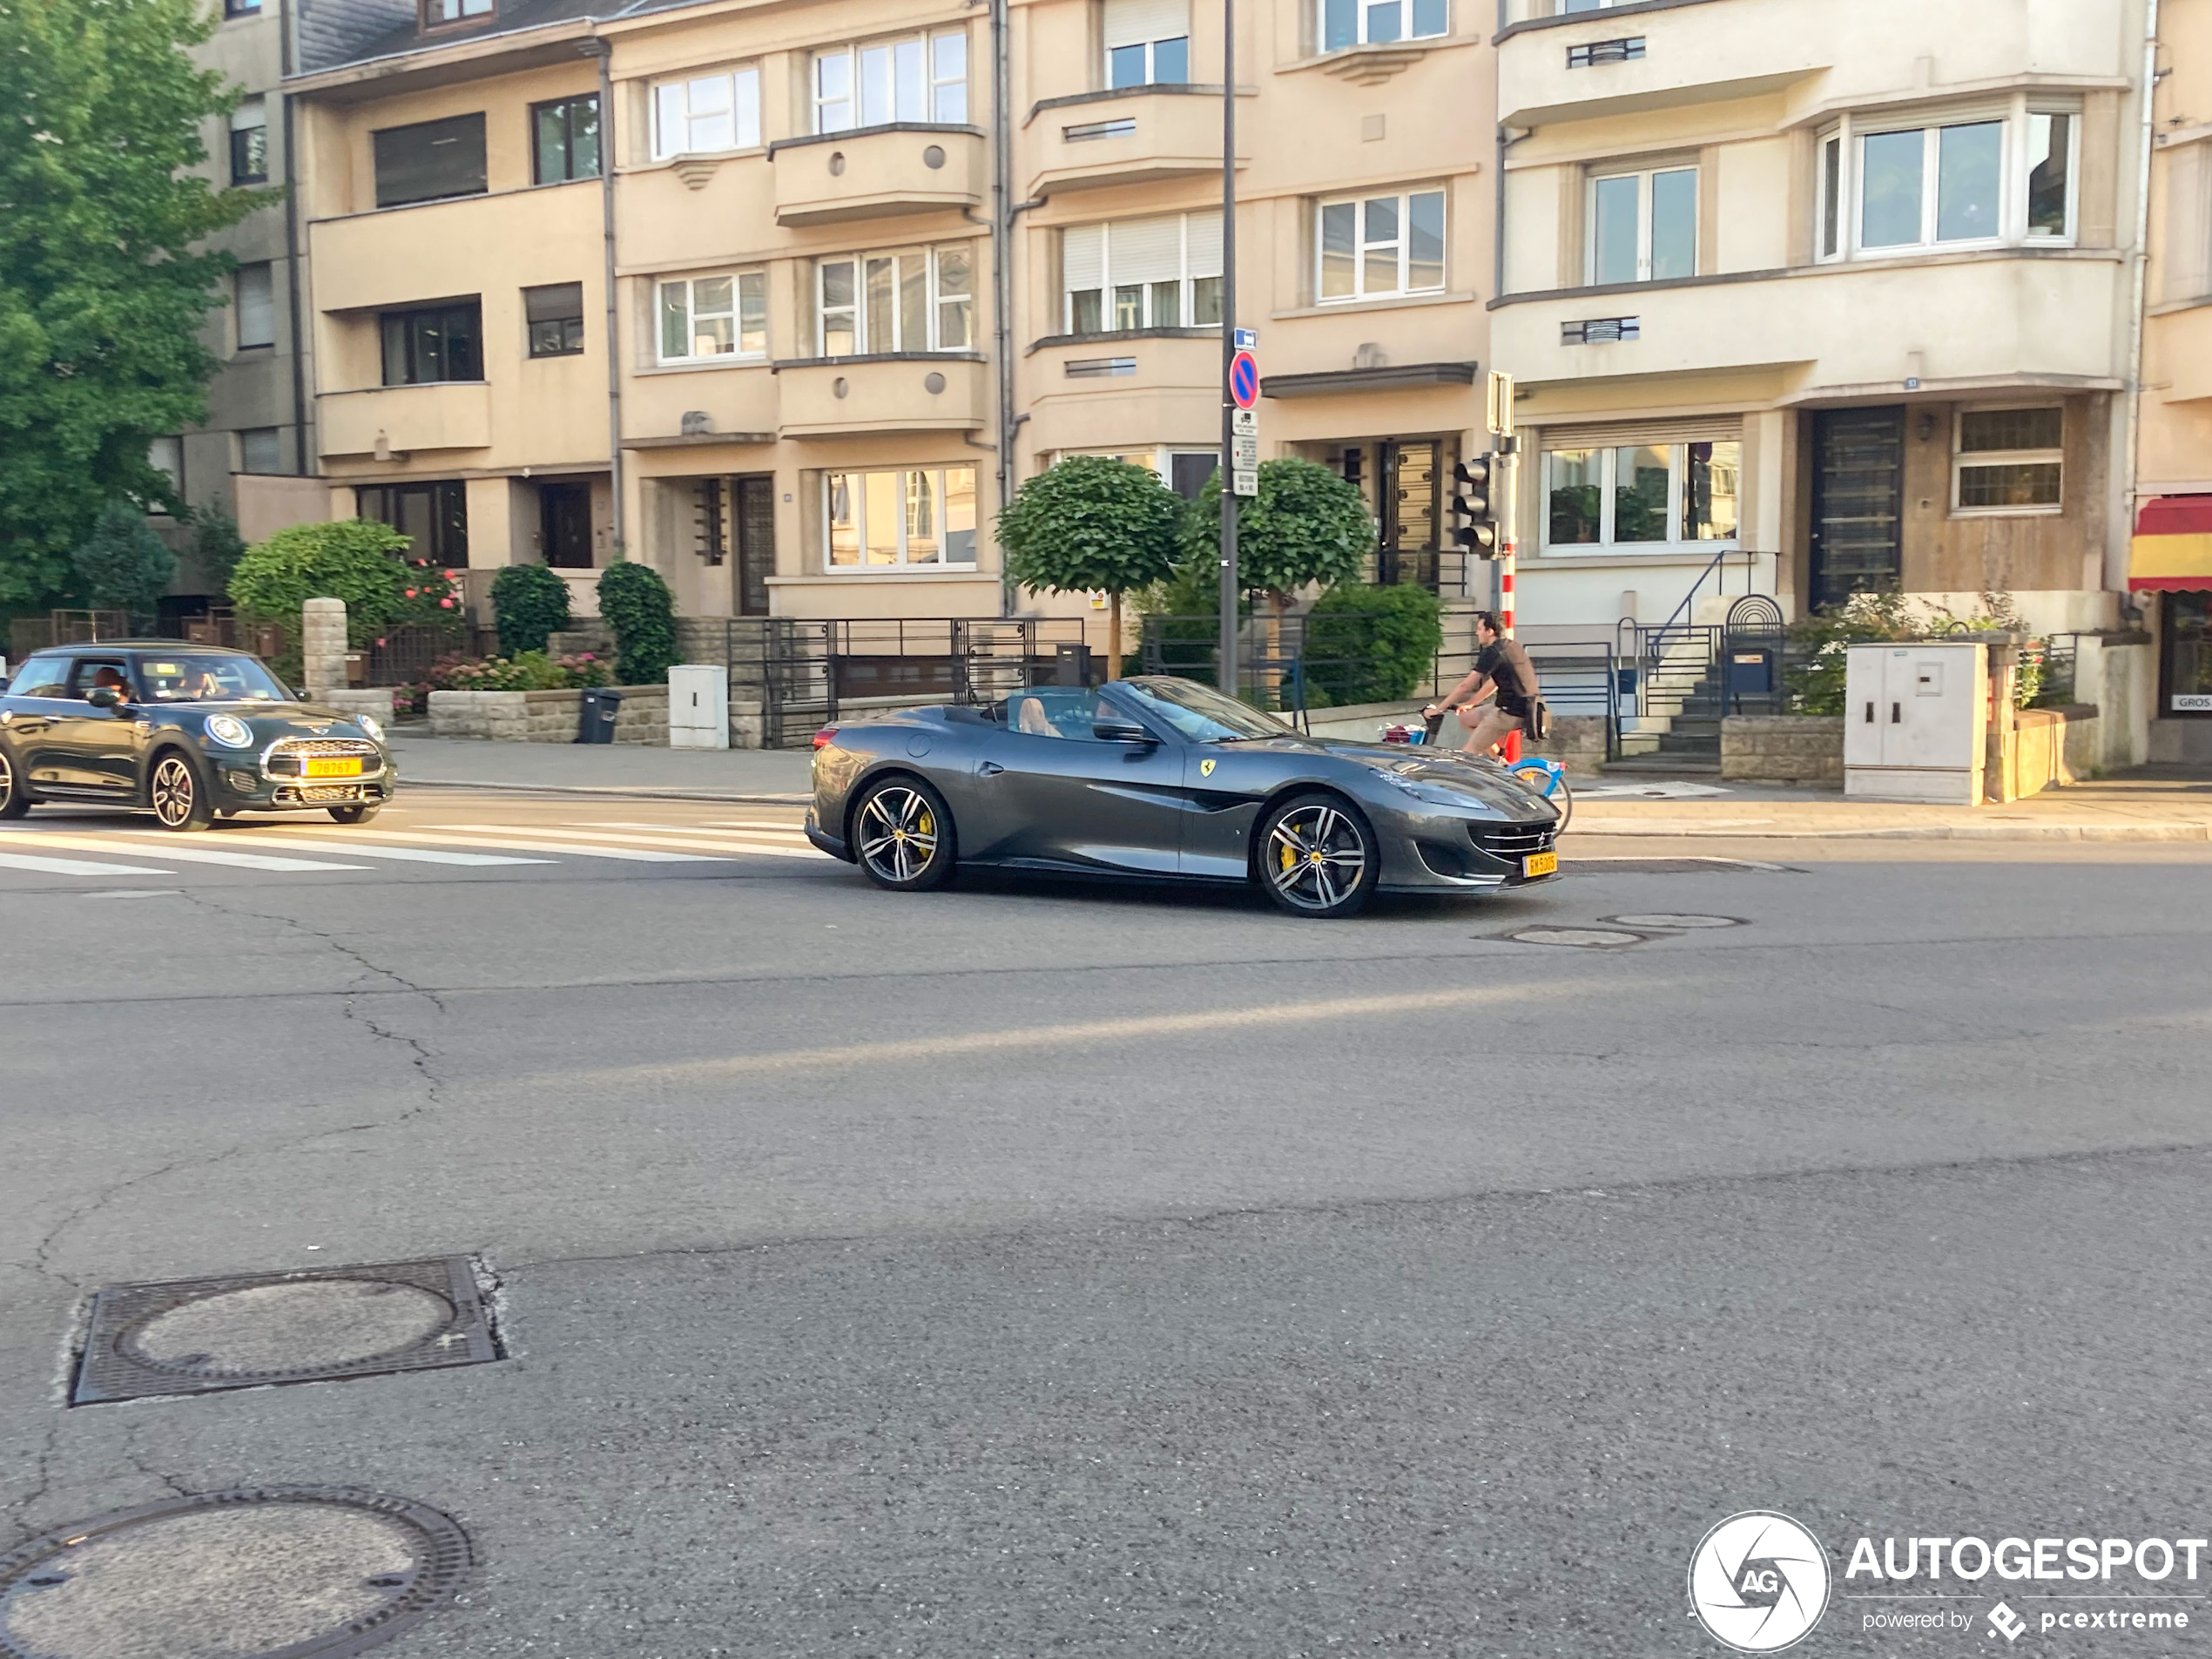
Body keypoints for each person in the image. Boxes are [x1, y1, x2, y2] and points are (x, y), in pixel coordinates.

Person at [1425, 610, 1539, 756]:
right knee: (1466, 719)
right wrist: (1470, 703)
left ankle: (1499, 771)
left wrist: (1438, 709)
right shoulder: (1511, 646)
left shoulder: (1493, 652)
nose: (1476, 633)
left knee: (1468, 753)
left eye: (1479, 629)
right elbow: (1493, 683)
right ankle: (1498, 763)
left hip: (1510, 712)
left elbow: (1465, 686)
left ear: (1490, 631)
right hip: (1524, 707)